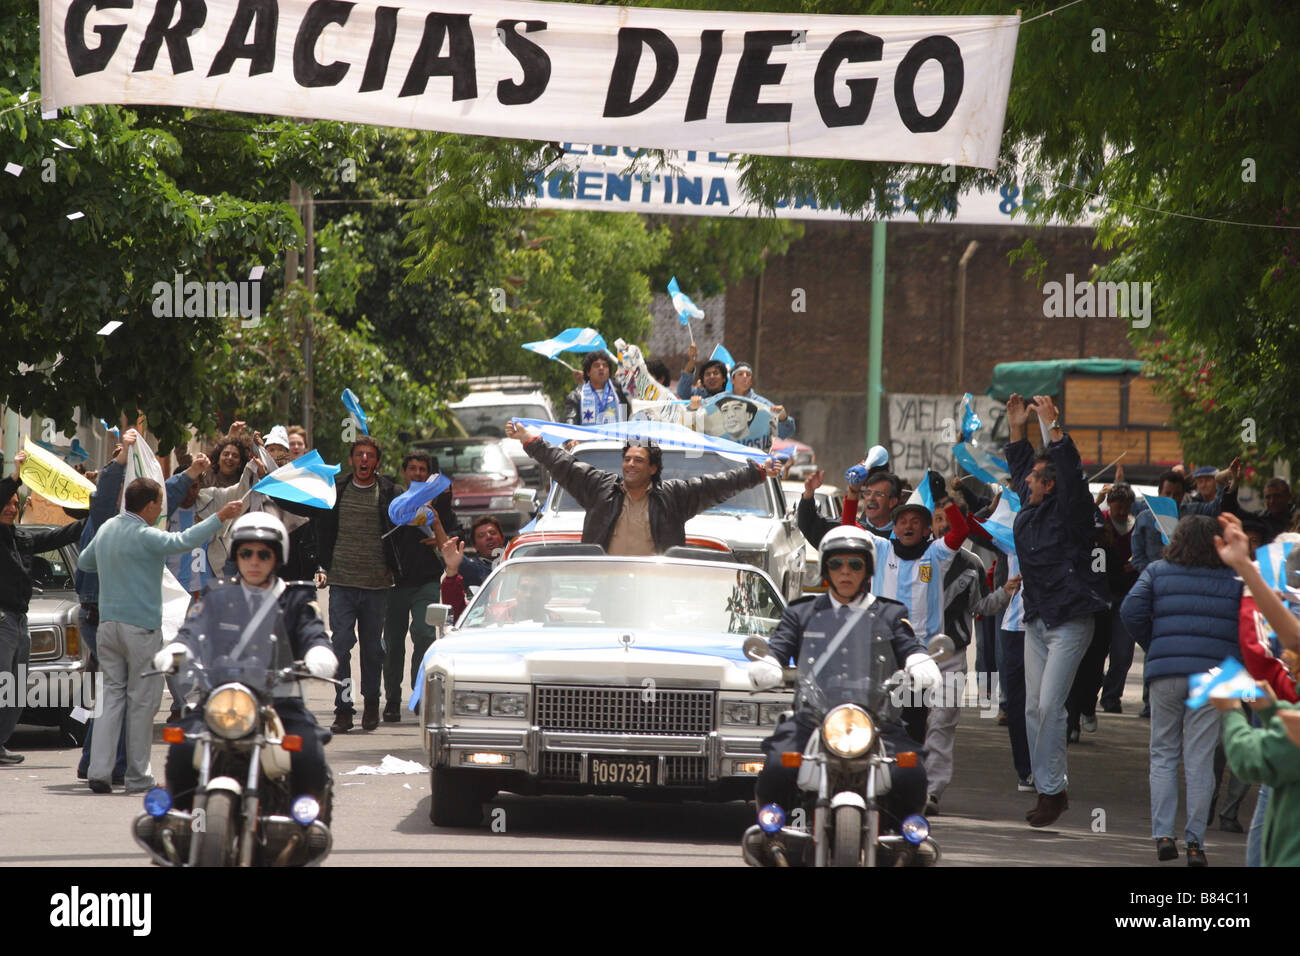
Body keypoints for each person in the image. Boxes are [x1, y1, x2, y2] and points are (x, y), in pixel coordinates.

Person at [746, 526, 942, 861]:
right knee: (779, 765)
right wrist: (770, 665)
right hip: (814, 717)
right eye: (837, 564)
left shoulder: (890, 613)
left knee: (909, 772)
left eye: (855, 564)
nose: (846, 571)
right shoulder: (801, 612)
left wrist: (919, 661)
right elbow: (779, 647)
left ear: (867, 569)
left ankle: (908, 839)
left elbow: (909, 644)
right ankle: (772, 834)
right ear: (826, 569)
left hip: (876, 719)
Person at [157, 513, 337, 811]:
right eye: (246, 553)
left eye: (263, 554)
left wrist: (319, 653)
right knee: (182, 746)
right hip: (222, 701)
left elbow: (313, 631)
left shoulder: (295, 599)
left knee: (308, 753)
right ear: (236, 556)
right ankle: (179, 823)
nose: (254, 561)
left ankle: (307, 822)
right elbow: (193, 629)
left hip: (279, 704)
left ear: (277, 558)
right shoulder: (217, 597)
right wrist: (178, 649)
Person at [78, 477, 242, 793]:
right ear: (150, 504)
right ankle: (137, 776)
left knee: (111, 697)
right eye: (159, 504)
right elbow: (182, 541)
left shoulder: (109, 529)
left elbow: (86, 561)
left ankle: (99, 770)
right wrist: (219, 517)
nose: (160, 510)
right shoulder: (145, 534)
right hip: (140, 628)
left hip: (108, 626)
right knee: (142, 701)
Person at [1003, 393, 1110, 828]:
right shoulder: (1029, 515)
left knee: (1050, 706)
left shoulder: (1073, 515)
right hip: (1037, 620)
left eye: (1036, 476)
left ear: (1052, 486)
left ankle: (1053, 789)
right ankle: (1050, 789)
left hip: (1070, 621)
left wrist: (1056, 432)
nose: (1028, 479)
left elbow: (1069, 476)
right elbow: (1019, 474)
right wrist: (1017, 429)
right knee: (1029, 708)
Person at [1120, 514, 1243, 866]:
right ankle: (1195, 844)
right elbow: (1247, 626)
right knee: (1200, 759)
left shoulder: (1158, 571)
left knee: (1163, 753)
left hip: (1167, 674)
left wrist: (1156, 646)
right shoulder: (1233, 579)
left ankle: (1162, 835)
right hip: (1213, 678)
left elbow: (1131, 611)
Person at [505, 421, 779, 555]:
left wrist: (758, 472)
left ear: (653, 468)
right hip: (604, 584)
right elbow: (561, 463)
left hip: (655, 588)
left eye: (639, 460)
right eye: (627, 459)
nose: (631, 465)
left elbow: (718, 485)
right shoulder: (599, 488)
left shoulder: (674, 497)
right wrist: (528, 438)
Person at [288, 436, 400, 735]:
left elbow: (407, 523)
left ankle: (372, 701)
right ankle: (344, 708)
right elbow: (315, 524)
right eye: (359, 455)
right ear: (352, 460)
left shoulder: (389, 492)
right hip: (342, 583)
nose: (364, 459)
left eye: (370, 455)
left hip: (377, 585)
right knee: (340, 646)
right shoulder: (336, 490)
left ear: (377, 462)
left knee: (373, 650)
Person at [922, 500, 1018, 815]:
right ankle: (906, 783)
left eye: (951, 521)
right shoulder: (918, 559)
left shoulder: (973, 564)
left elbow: (980, 606)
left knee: (942, 722)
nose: (944, 527)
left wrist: (1004, 593)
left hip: (952, 655)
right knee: (912, 724)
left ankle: (931, 792)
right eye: (938, 520)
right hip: (914, 656)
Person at [0, 451, 87, 765]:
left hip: (20, 622)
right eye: (6, 503)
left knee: (15, 686)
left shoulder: (22, 539)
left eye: (15, 504)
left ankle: (1, 744)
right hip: (2, 620)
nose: (11, 508)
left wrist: (95, 512)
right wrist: (16, 476)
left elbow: (62, 535)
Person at [382, 450, 458, 723]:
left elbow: (455, 537)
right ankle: (391, 701)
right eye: (412, 468)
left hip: (427, 580)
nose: (416, 473)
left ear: (428, 474)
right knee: (392, 644)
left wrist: (438, 531)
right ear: (404, 472)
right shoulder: (395, 501)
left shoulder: (441, 503)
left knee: (424, 637)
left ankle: (418, 696)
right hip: (395, 582)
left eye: (422, 469)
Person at [728, 362, 795, 440]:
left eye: (748, 374)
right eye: (740, 374)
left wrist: (783, 419)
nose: (745, 377)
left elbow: (784, 433)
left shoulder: (763, 405)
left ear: (751, 381)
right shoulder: (720, 401)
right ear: (732, 380)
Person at [563, 351, 628, 426]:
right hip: (588, 438)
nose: (601, 368)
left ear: (609, 372)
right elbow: (570, 423)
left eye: (605, 365)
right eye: (596, 365)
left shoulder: (621, 391)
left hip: (619, 437)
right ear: (588, 372)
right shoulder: (576, 396)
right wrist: (573, 437)